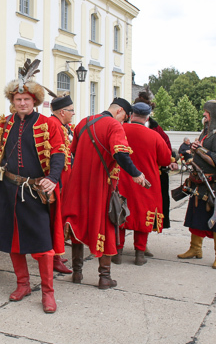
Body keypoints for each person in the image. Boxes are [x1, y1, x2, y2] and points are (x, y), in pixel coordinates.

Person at [0, 59, 65, 313]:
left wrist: (54, 177)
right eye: (18, 99)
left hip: (35, 191)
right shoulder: (5, 123)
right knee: (12, 240)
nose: (22, 103)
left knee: (43, 245)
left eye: (26, 99)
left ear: (35, 101)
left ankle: (48, 293)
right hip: (8, 190)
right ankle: (23, 284)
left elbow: (60, 152)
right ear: (12, 101)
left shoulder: (49, 124)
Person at [62, 98, 146, 289]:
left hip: (78, 184)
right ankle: (104, 277)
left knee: (78, 224)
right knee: (106, 226)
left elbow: (72, 151)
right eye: (125, 117)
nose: (124, 121)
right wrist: (136, 174)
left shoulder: (83, 122)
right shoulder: (115, 126)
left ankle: (77, 273)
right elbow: (121, 154)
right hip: (101, 185)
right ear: (120, 112)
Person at [178, 100, 216, 269]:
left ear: (212, 114)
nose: (203, 115)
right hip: (200, 183)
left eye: (206, 112)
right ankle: (195, 249)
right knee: (196, 217)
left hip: (215, 186)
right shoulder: (207, 131)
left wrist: (198, 150)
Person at [113, 102, 171, 265]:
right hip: (146, 182)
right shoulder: (154, 136)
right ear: (148, 117)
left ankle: (117, 252)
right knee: (143, 214)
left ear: (131, 115)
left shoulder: (120, 130)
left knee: (120, 214)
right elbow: (166, 159)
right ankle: (139, 254)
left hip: (122, 180)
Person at [48, 93, 75, 274]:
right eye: (71, 111)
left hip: (63, 181)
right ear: (62, 112)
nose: (73, 113)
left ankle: (56, 254)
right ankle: (54, 258)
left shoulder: (61, 125)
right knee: (54, 221)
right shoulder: (54, 126)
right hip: (57, 182)